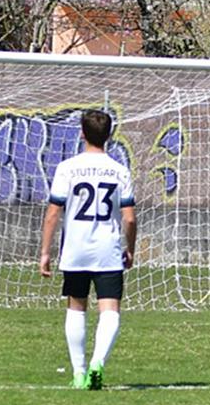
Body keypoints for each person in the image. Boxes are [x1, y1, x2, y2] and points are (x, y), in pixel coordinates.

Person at [39, 109, 137, 390]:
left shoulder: (67, 168)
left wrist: (46, 252)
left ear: (82, 133)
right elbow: (129, 217)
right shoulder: (120, 171)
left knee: (76, 307)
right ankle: (98, 363)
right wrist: (129, 248)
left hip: (75, 249)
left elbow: (53, 213)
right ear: (109, 136)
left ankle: (79, 372)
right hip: (108, 249)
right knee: (110, 309)